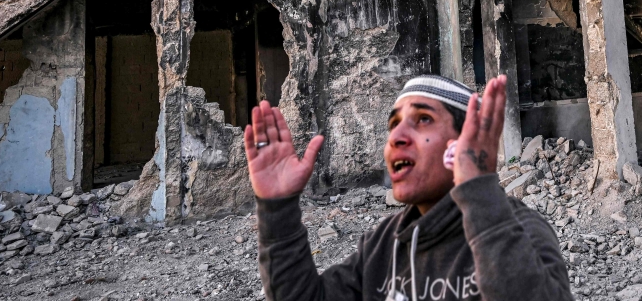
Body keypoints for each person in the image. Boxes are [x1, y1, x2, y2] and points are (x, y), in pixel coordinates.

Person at [245, 73, 574, 301]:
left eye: (423, 120)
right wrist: (278, 208)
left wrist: (479, 189)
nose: (397, 137)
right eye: (393, 124)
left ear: (462, 146)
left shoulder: (519, 231)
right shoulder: (383, 246)